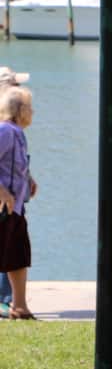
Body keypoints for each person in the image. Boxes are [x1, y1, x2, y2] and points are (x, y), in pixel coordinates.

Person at [0, 86, 37, 320]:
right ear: (20, 109)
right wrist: (2, 192)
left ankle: (20, 307)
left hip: (16, 208)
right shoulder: (5, 130)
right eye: (30, 107)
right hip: (3, 208)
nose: (33, 112)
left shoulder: (18, 134)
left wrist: (30, 179)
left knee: (18, 256)